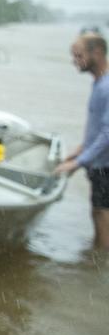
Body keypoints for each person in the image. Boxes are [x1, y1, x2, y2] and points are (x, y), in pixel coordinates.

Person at [54, 32, 109, 251]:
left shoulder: (107, 87)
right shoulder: (99, 83)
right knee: (97, 210)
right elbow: (97, 126)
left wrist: (79, 162)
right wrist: (79, 150)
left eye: (78, 56)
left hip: (106, 165)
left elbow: (107, 133)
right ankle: (94, 257)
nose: (74, 61)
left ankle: (102, 268)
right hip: (98, 161)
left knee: (103, 212)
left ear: (97, 53)